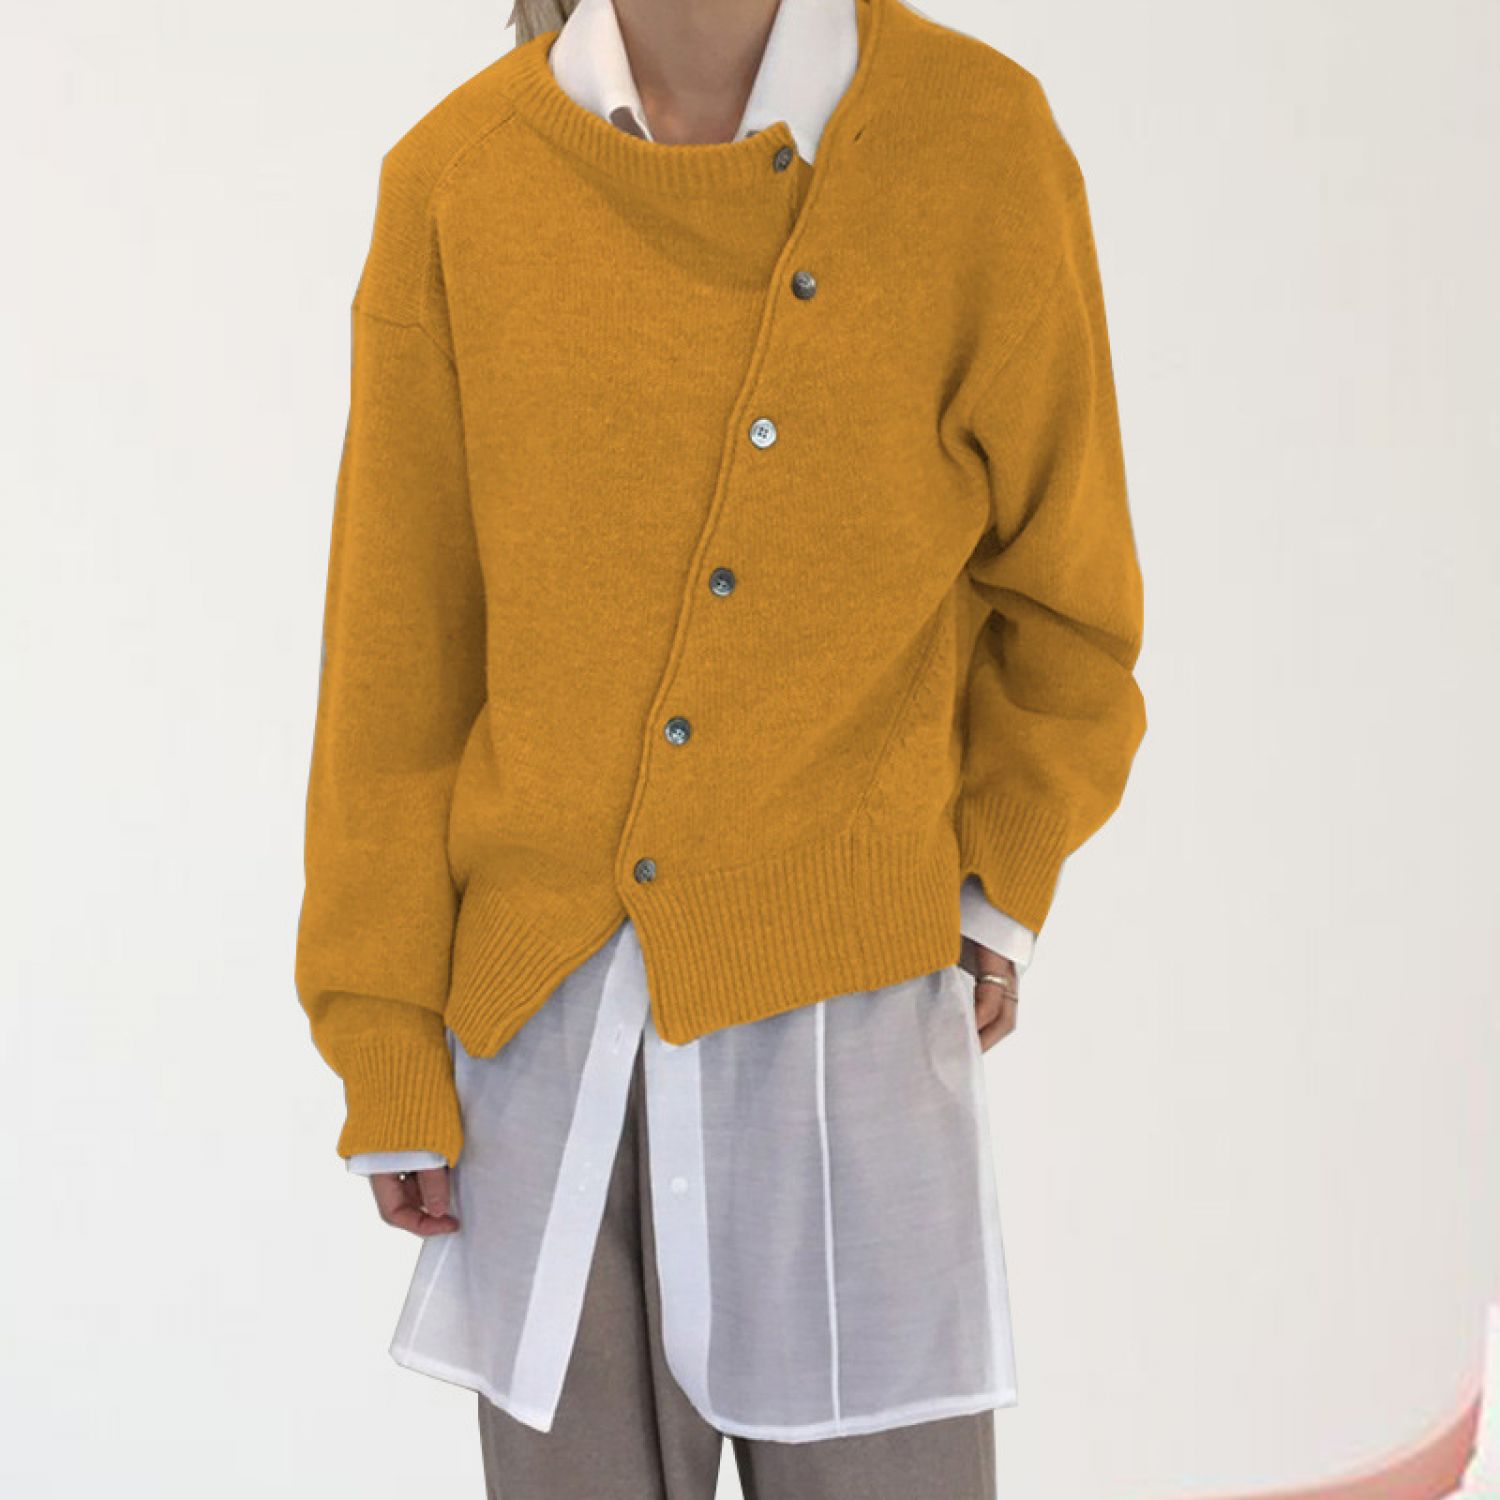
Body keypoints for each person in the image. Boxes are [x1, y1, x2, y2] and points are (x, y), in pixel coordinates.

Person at [294, 0, 1147, 1493]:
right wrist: (383, 1035)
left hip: (852, 1044)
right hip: (542, 1068)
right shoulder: (458, 181)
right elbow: (398, 660)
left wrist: (992, 888)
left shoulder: (974, 140)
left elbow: (1069, 600)